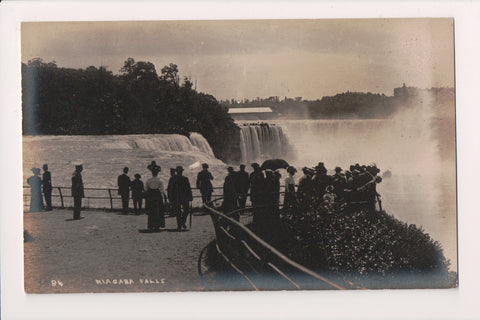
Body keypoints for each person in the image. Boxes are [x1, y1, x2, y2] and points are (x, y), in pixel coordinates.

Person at [145, 161, 165, 231]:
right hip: (157, 195)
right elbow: (162, 190)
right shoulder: (160, 180)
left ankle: (150, 225)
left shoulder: (148, 180)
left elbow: (146, 189)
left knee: (151, 210)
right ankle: (157, 225)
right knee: (158, 210)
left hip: (151, 195)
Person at [171, 166, 193, 230]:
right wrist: (190, 197)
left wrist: (171, 197)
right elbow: (188, 188)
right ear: (182, 172)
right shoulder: (185, 179)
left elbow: (171, 189)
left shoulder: (173, 179)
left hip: (176, 197)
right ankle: (182, 222)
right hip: (184, 197)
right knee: (186, 210)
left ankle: (179, 224)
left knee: (178, 211)